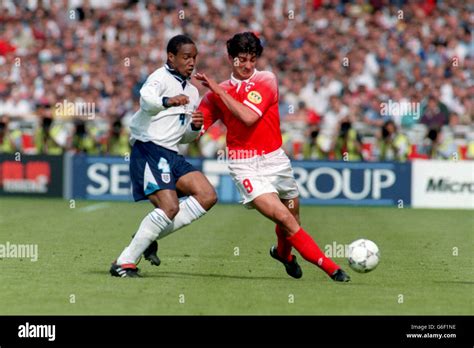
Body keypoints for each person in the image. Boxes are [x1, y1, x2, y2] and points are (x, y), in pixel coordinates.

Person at [195, 32, 350, 282]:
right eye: (241, 60)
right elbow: (194, 130)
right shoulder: (216, 93)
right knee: (284, 217)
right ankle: (332, 269)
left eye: (252, 59)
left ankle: (283, 255)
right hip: (244, 164)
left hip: (276, 160)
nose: (247, 65)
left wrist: (218, 91)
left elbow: (248, 118)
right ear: (231, 58)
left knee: (292, 217)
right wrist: (186, 123)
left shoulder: (266, 79)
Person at [110, 35, 217, 278]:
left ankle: (144, 239)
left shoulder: (191, 90)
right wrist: (167, 101)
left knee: (207, 195)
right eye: (186, 57)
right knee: (170, 207)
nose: (191, 62)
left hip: (171, 152)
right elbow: (146, 101)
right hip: (149, 148)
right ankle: (124, 262)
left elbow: (183, 137)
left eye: (194, 57)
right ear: (171, 57)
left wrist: (194, 128)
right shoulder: (159, 77)